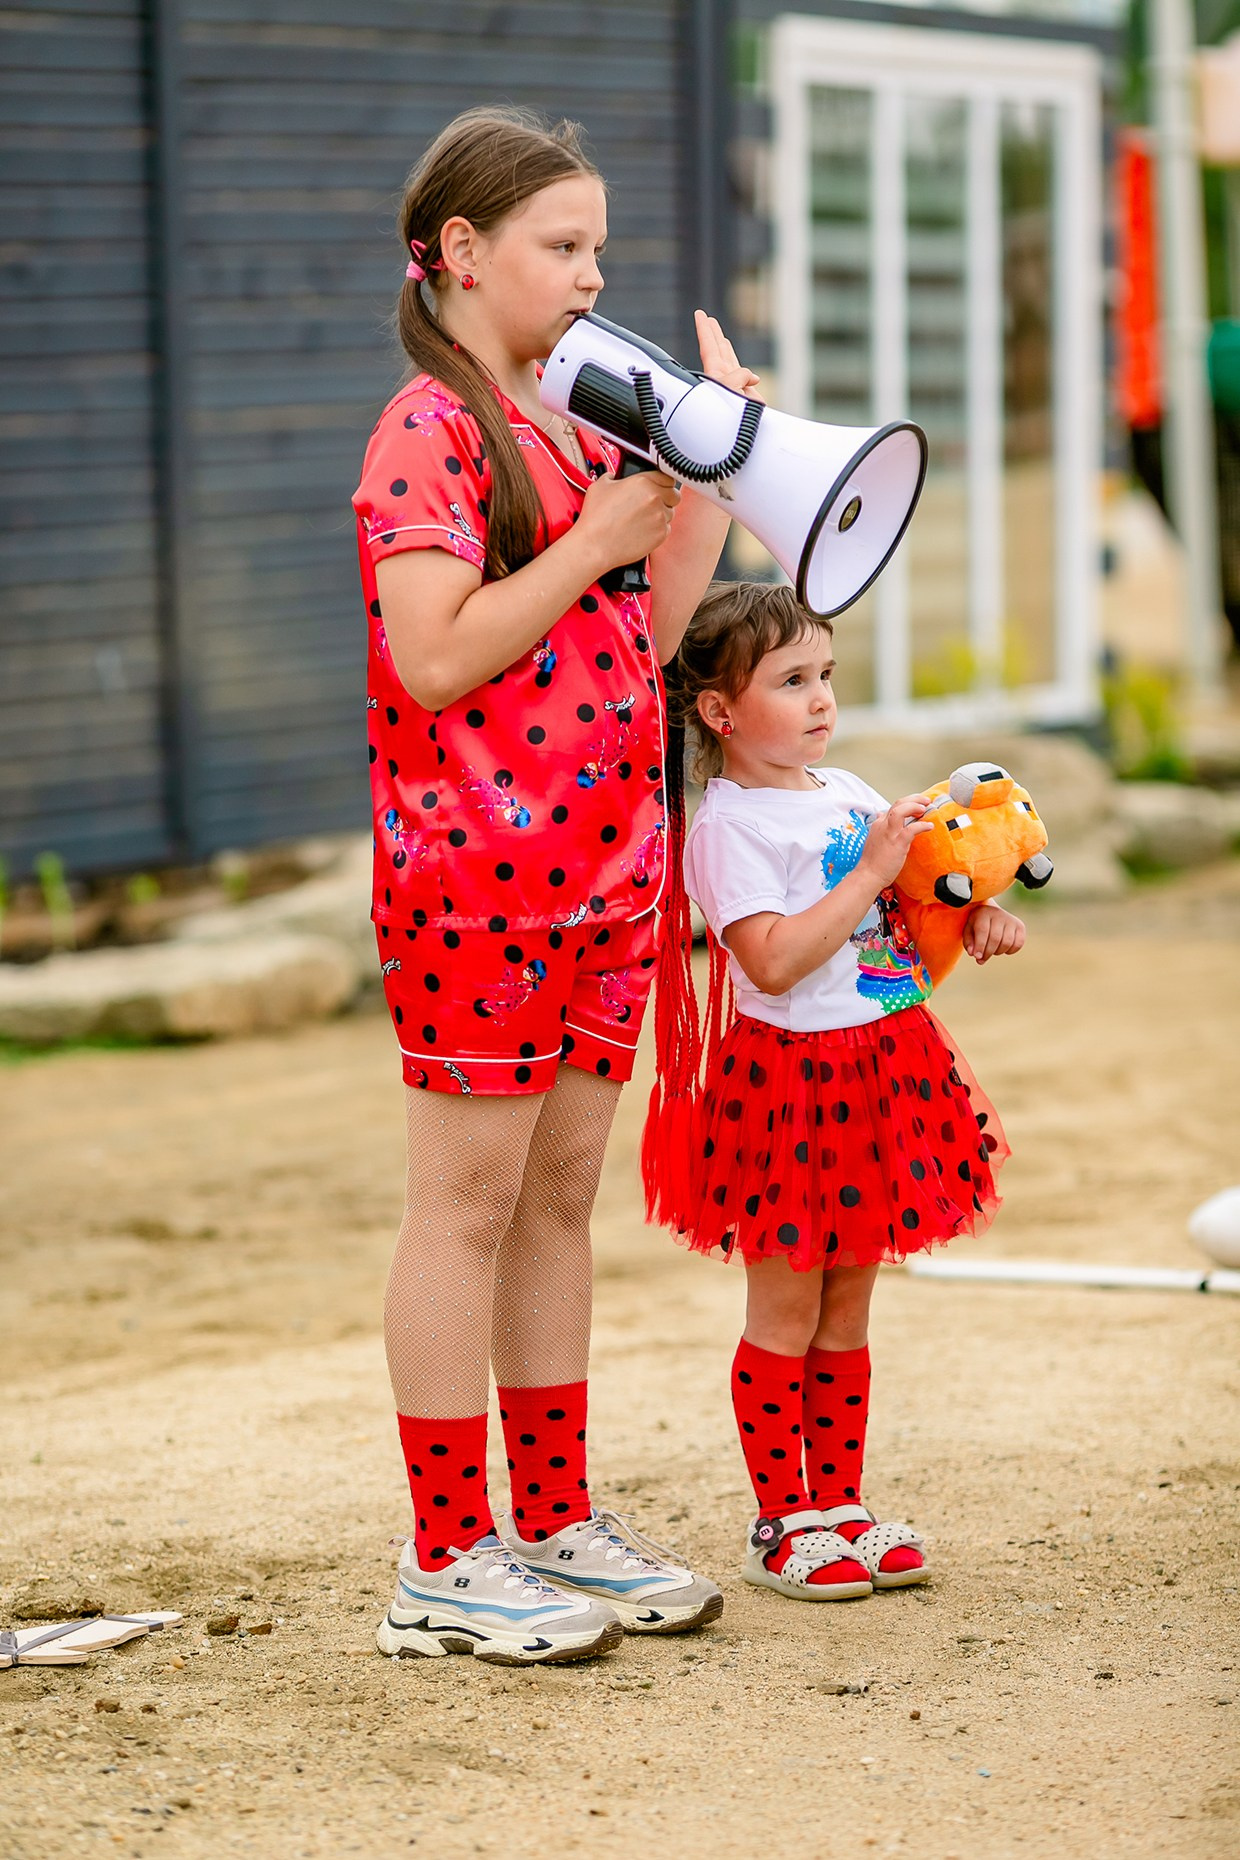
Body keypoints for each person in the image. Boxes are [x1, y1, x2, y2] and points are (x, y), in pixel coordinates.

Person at [352, 106, 756, 1663]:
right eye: (563, 247)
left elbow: (646, 640)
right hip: (477, 882)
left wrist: (699, 467)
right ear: (462, 252)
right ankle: (446, 1553)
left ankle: (554, 1518)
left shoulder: (580, 429)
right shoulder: (426, 430)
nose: (595, 277)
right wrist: (592, 535)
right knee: (460, 1207)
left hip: (605, 877)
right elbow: (438, 652)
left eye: (600, 247)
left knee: (561, 1200)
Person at [643, 581, 1023, 1602]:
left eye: (826, 678)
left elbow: (911, 905)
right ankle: (783, 1522)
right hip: (789, 1089)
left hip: (882, 1067)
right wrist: (864, 880)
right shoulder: (727, 829)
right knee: (786, 1307)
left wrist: (973, 914)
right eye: (792, 681)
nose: (820, 701)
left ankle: (840, 1504)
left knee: (849, 1303)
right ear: (719, 713)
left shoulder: (844, 790)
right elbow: (767, 962)